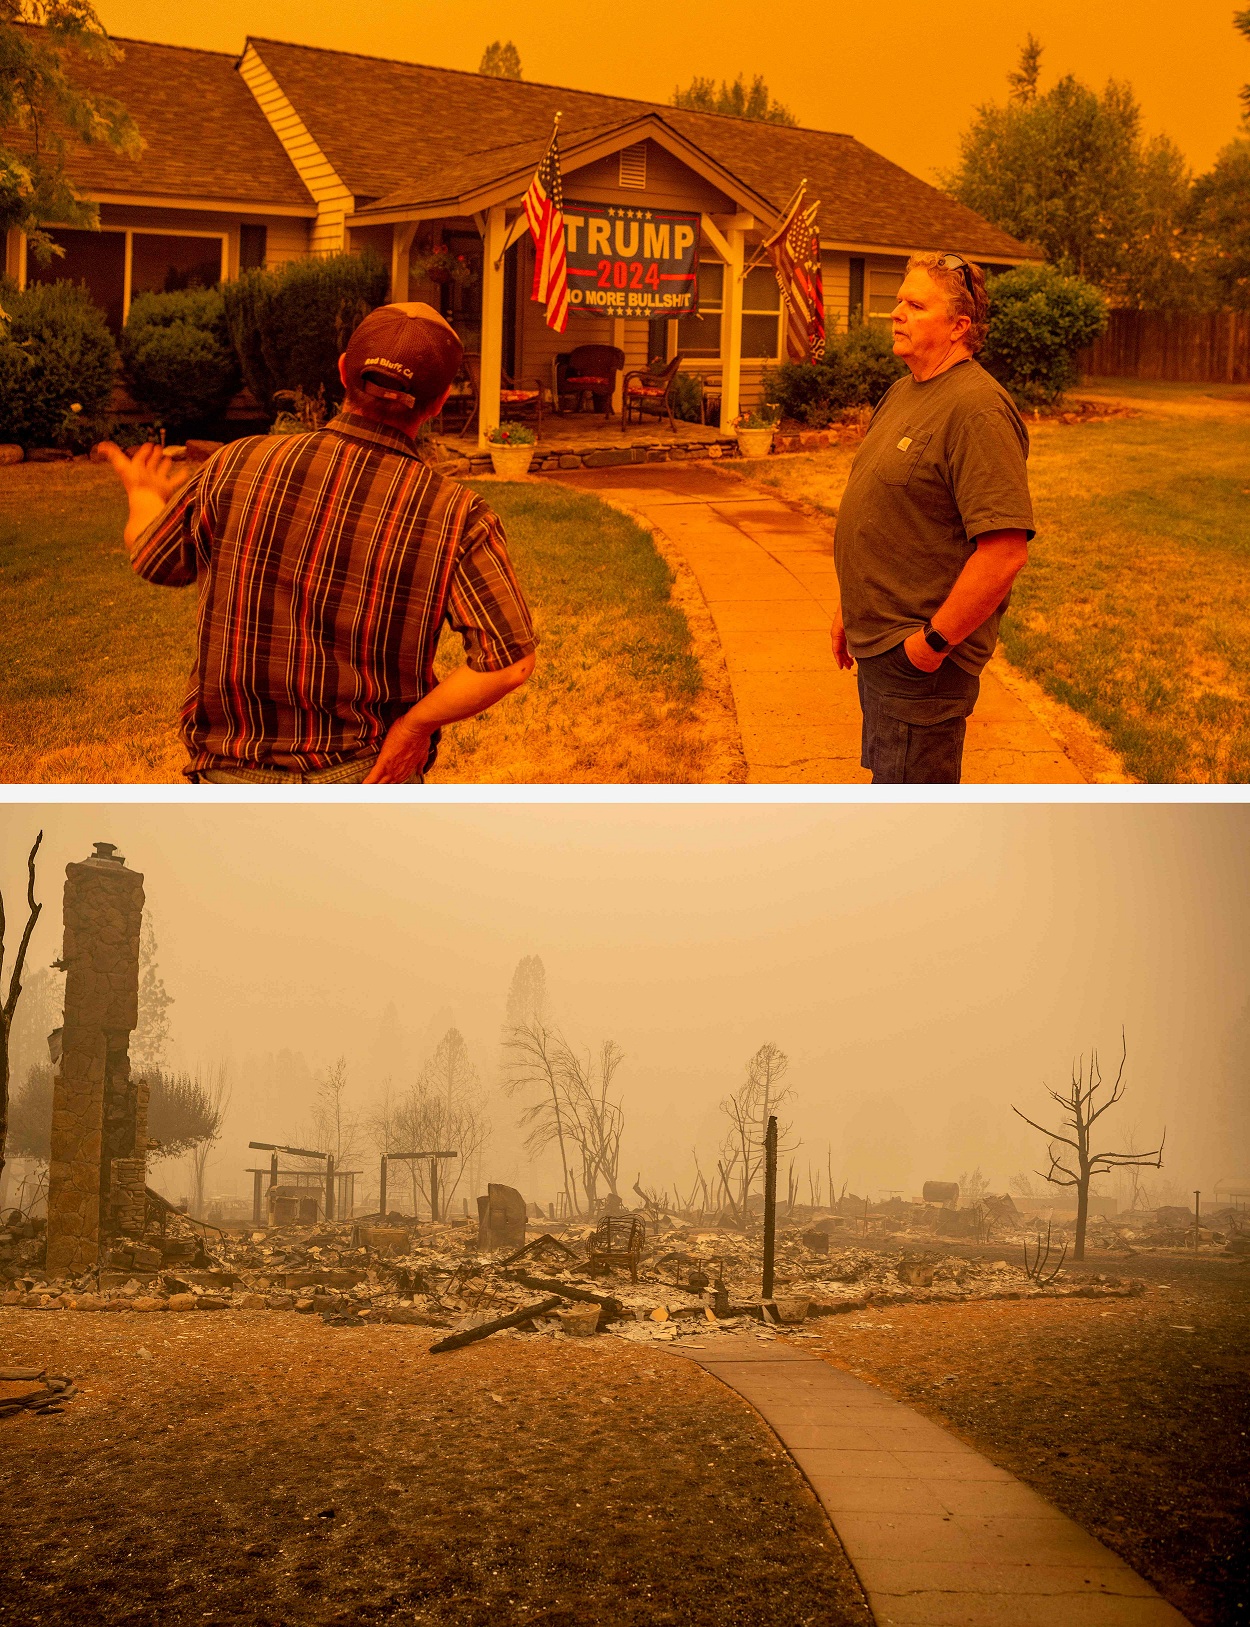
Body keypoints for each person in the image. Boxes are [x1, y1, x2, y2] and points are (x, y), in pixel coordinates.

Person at [104, 302, 536, 784]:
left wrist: (143, 495)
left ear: (343, 372)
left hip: (227, 775)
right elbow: (508, 663)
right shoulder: (458, 514)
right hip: (365, 778)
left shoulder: (238, 462)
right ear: (438, 404)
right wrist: (414, 728)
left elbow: (154, 559)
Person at [831, 253, 1033, 784]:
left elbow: (1005, 550)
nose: (896, 312)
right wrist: (851, 606)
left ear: (959, 327)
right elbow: (893, 514)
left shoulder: (977, 409)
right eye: (899, 300)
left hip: (922, 663)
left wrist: (932, 646)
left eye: (915, 304)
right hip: (880, 642)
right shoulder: (904, 391)